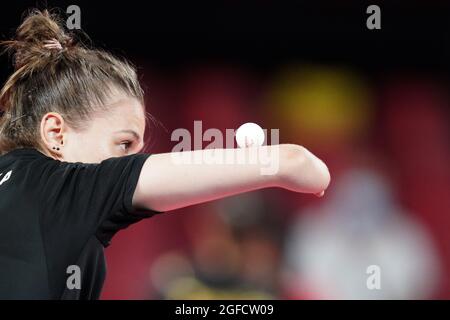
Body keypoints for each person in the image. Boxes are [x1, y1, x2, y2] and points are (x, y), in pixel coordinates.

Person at [0, 10, 330, 299]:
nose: (130, 161)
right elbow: (295, 162)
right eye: (124, 145)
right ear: (56, 134)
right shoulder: (68, 188)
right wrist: (291, 166)